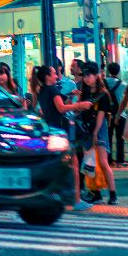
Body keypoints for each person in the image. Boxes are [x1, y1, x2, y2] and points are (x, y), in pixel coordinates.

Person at [32, 64, 92, 214]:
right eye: (53, 73)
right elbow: (61, 108)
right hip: (61, 133)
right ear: (47, 77)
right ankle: (76, 200)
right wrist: (80, 105)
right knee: (74, 165)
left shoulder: (42, 91)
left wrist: (69, 97)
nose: (56, 76)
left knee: (58, 166)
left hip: (51, 131)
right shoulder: (52, 90)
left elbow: (51, 107)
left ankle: (57, 195)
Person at [76, 62, 117, 206]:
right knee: (89, 162)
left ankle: (112, 195)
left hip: (99, 130)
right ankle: (95, 193)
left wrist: (95, 133)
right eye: (84, 75)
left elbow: (101, 116)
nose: (86, 79)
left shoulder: (103, 94)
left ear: (96, 76)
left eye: (89, 75)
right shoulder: (85, 92)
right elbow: (80, 111)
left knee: (103, 162)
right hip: (86, 129)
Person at [105, 64, 128, 167]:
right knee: (120, 138)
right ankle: (120, 160)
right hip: (120, 113)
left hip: (107, 113)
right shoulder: (123, 84)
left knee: (108, 137)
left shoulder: (104, 82)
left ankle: (108, 159)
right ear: (118, 71)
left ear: (108, 70)